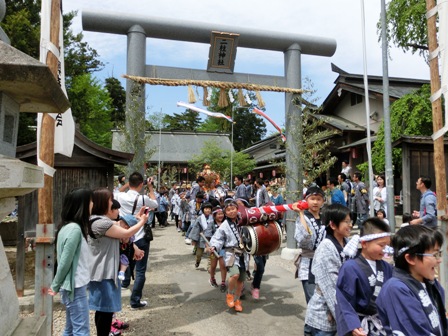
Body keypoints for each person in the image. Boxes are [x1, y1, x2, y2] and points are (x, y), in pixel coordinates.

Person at [88, 187, 149, 336]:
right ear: (103, 203)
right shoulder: (101, 223)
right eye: (110, 200)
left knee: (104, 309)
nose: (112, 202)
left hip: (105, 271)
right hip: (103, 272)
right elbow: (126, 232)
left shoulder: (102, 220)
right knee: (105, 310)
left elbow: (121, 227)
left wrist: (136, 217)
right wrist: (142, 222)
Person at [376, 225, 447, 335]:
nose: (439, 260)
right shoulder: (396, 289)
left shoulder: (429, 282)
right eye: (435, 254)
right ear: (410, 258)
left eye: (439, 254)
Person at [335, 217, 393, 336]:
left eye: (387, 245)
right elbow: (344, 301)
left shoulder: (387, 267)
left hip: (383, 325)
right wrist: (352, 324)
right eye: (381, 245)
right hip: (361, 326)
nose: (385, 249)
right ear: (364, 243)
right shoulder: (350, 267)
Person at [48, 188, 93, 336]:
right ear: (82, 205)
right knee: (82, 331)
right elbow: (65, 262)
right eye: (90, 201)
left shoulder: (67, 227)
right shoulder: (74, 229)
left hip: (73, 286)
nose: (93, 204)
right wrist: (55, 285)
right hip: (75, 287)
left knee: (71, 329)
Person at [304, 203, 352, 336]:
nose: (350, 225)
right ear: (333, 225)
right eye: (346, 222)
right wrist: (347, 322)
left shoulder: (347, 244)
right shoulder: (326, 248)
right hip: (322, 317)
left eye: (350, 221)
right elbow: (330, 288)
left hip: (338, 311)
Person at [114, 172, 157, 308]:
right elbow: (155, 204)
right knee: (140, 270)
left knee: (125, 260)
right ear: (141, 184)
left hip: (125, 235)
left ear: (129, 183)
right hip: (140, 235)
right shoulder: (143, 198)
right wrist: (150, 188)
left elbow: (115, 191)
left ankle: (125, 283)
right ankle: (135, 300)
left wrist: (126, 184)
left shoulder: (120, 196)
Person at [208, 200, 249, 313]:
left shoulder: (244, 220)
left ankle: (237, 300)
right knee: (235, 274)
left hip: (243, 253)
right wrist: (214, 246)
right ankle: (229, 294)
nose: (231, 212)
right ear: (225, 213)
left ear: (237, 209)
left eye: (233, 209)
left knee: (241, 280)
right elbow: (218, 238)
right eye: (228, 210)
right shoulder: (224, 225)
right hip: (231, 253)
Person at [293, 187, 326, 304]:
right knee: (313, 300)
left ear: (323, 201)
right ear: (306, 200)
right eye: (312, 199)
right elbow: (303, 239)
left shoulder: (325, 218)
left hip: (324, 263)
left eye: (319, 199)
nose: (315, 202)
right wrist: (301, 214)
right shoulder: (303, 218)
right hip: (308, 263)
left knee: (325, 299)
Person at [189, 202, 214, 269]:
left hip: (210, 239)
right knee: (199, 254)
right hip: (201, 238)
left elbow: (215, 228)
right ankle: (198, 261)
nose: (208, 210)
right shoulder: (200, 218)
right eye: (206, 208)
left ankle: (210, 266)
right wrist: (194, 239)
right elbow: (196, 229)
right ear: (203, 210)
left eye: (209, 209)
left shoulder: (213, 218)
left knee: (211, 253)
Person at [208, 206, 227, 292]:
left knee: (223, 265)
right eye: (218, 214)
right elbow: (207, 237)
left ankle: (223, 282)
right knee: (213, 265)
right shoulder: (211, 224)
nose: (220, 216)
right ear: (214, 215)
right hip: (213, 249)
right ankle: (212, 278)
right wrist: (208, 247)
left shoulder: (226, 223)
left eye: (222, 214)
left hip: (223, 248)